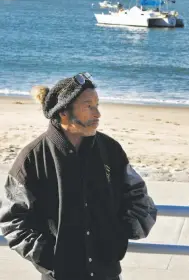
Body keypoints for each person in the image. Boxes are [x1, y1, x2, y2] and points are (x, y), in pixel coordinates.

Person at [0, 72, 157, 280]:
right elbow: (12, 220)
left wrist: (119, 234)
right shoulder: (33, 157)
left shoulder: (109, 149)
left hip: (106, 274)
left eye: (97, 105)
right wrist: (48, 256)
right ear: (64, 112)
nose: (98, 114)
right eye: (88, 106)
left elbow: (139, 198)